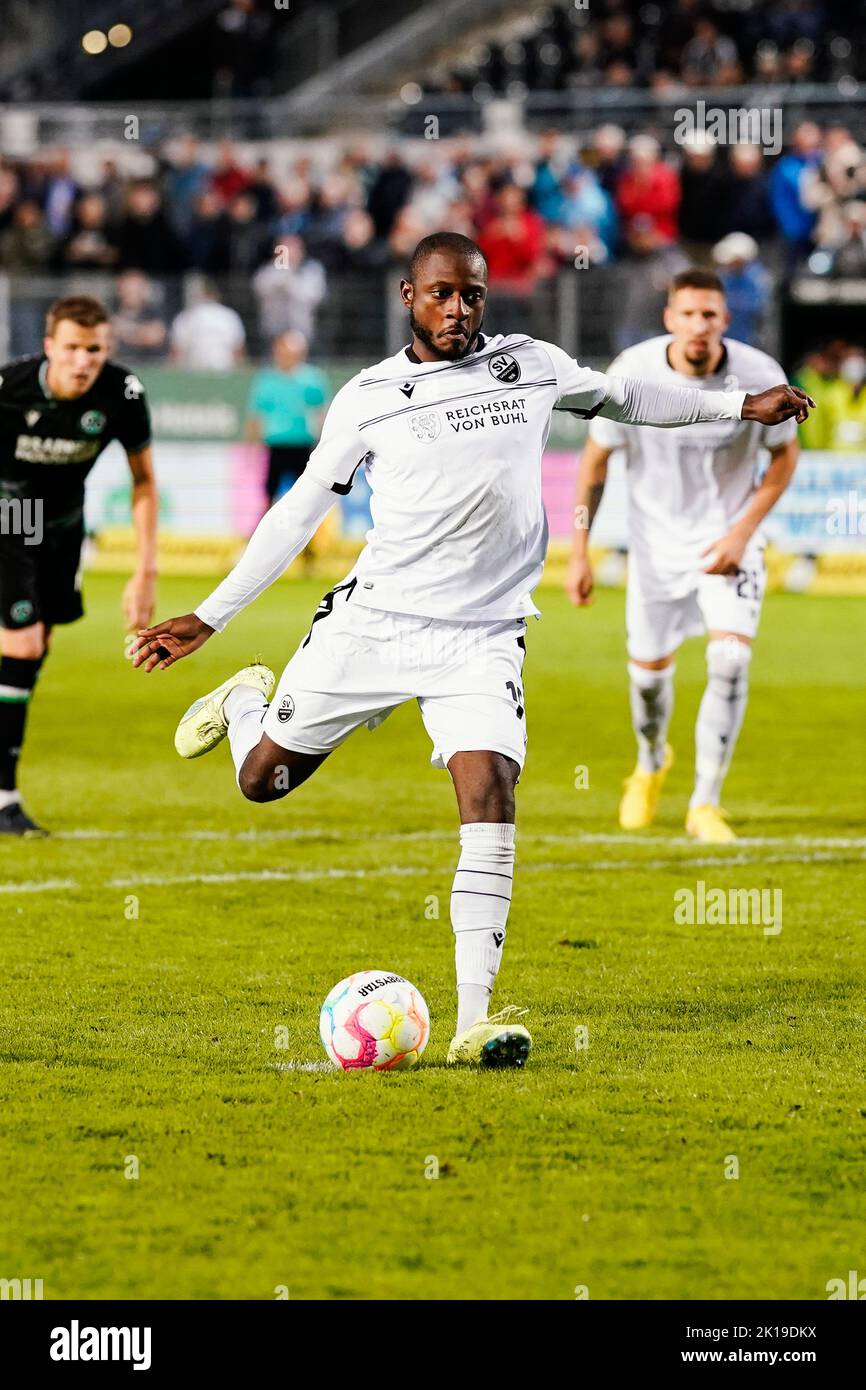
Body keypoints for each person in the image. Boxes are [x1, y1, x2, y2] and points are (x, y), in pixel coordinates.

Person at [130, 234, 813, 1067]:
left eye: (473, 295)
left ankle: (472, 1021)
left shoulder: (531, 364)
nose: (459, 309)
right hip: (375, 624)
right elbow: (298, 512)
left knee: (489, 797)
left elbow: (629, 399)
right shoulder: (369, 397)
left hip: (483, 636)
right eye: (442, 294)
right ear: (409, 296)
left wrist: (737, 407)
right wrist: (209, 617)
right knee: (261, 782)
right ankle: (246, 699)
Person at [566, 268, 802, 843]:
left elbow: (785, 460)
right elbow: (594, 466)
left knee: (730, 661)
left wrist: (743, 534)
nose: (700, 326)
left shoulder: (760, 374)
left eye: (710, 315)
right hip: (654, 551)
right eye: (689, 314)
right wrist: (579, 551)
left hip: (728, 542)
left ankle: (705, 803)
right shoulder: (632, 373)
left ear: (725, 319)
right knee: (647, 682)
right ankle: (650, 763)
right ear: (670, 318)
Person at [0, 296, 157, 835]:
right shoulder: (10, 387)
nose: (82, 360)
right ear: (49, 348)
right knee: (20, 641)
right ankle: (4, 799)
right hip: (11, 514)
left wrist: (145, 571)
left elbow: (143, 481)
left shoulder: (123, 393)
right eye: (71, 348)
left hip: (65, 526)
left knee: (34, 647)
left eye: (94, 349)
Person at [246, 332, 330, 512]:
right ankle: (266, 532)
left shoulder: (312, 379)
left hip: (302, 442)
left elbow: (321, 414)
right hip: (276, 443)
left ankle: (306, 535)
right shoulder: (267, 381)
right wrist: (251, 447)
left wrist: (324, 444)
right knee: (270, 490)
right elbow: (257, 416)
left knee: (305, 493)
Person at [169, 281, 245, 371]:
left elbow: (237, 350)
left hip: (220, 372)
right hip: (196, 374)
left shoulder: (228, 315)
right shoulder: (185, 317)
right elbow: (176, 352)